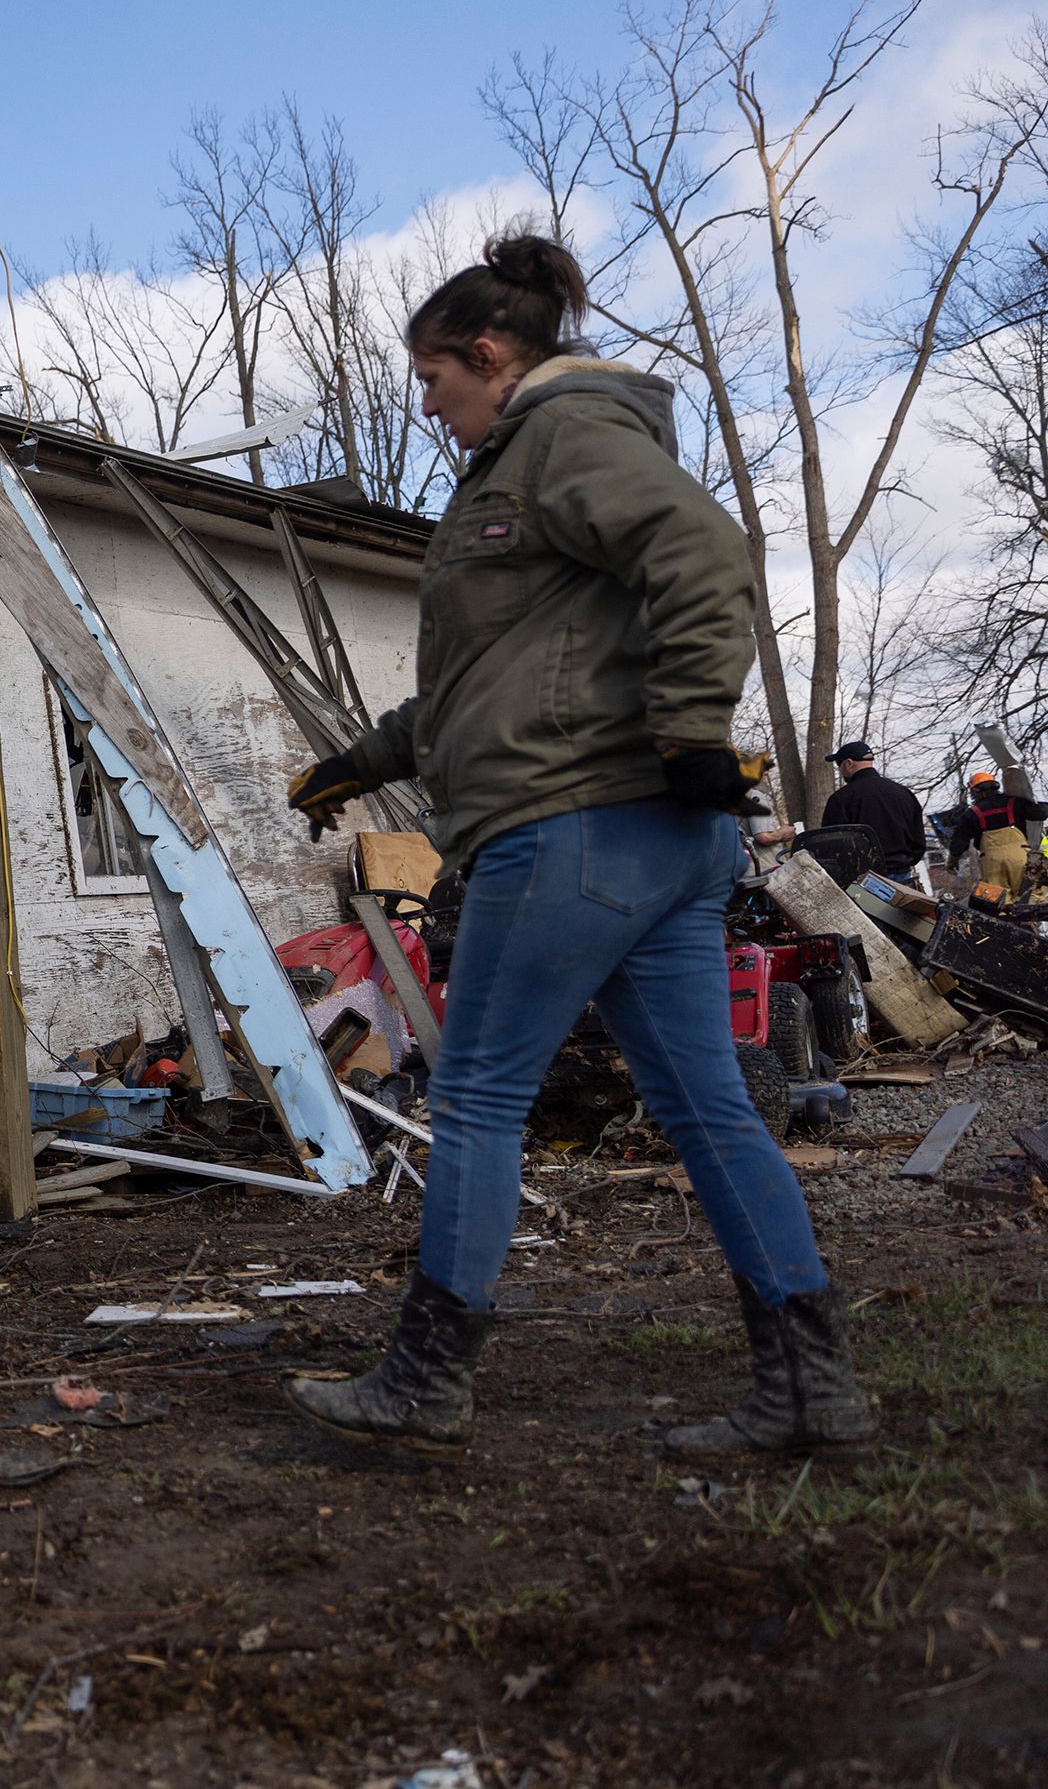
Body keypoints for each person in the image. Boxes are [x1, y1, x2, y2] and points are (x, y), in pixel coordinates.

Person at [282, 232, 873, 1461]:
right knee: (709, 1109)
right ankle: (812, 1389)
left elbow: (705, 553)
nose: (433, 411)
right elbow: (507, 676)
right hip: (649, 844)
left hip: (572, 831)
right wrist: (366, 760)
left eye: (436, 383)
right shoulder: (537, 459)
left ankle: (425, 1381)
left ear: (491, 357)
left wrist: (696, 729)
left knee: (482, 1096)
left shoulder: (561, 437)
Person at [811, 741, 928, 881]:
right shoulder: (904, 793)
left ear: (848, 763)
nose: (840, 771)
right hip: (903, 876)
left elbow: (830, 846)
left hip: (862, 880)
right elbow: (918, 841)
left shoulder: (841, 799)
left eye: (839, 765)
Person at [936, 771, 1042, 896]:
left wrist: (952, 861)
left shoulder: (972, 813)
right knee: (1032, 896)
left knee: (996, 901)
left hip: (991, 862)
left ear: (974, 792)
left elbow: (960, 840)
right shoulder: (1014, 803)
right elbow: (1040, 814)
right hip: (1020, 857)